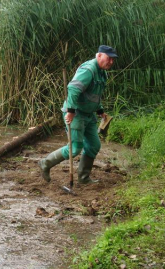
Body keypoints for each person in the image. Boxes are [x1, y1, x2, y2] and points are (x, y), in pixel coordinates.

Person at [39, 45, 118, 184]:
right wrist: (70, 111)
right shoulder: (88, 70)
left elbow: (94, 94)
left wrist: (100, 110)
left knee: (94, 145)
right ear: (99, 55)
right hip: (76, 114)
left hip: (88, 115)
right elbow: (73, 89)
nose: (111, 61)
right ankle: (45, 163)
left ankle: (83, 177)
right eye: (108, 58)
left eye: (113, 59)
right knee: (75, 148)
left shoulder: (102, 72)